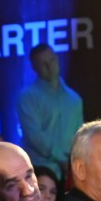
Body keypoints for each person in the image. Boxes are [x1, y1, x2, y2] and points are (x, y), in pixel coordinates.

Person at [16, 44, 83, 177]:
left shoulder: (74, 98)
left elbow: (79, 134)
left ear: (57, 59)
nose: (49, 66)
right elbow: (34, 135)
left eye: (52, 60)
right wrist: (61, 159)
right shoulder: (27, 97)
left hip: (70, 170)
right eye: (43, 64)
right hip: (40, 169)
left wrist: (75, 160)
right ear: (34, 67)